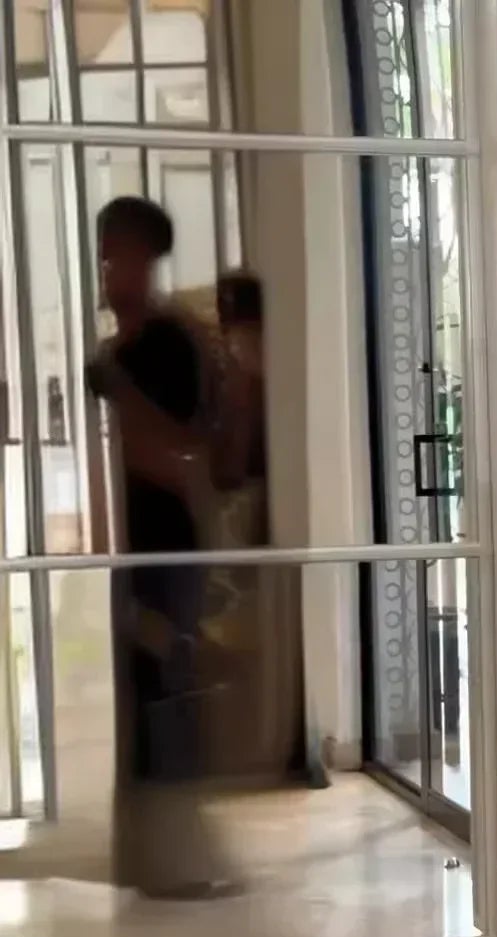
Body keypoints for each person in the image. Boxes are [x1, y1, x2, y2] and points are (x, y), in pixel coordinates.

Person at [87, 195, 234, 899]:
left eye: (119, 254)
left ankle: (184, 863)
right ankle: (152, 863)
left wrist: (119, 389)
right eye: (105, 256)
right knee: (145, 694)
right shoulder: (121, 350)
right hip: (133, 550)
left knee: (168, 692)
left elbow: (183, 456)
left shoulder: (167, 345)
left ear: (146, 257)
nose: (109, 269)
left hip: (169, 550)